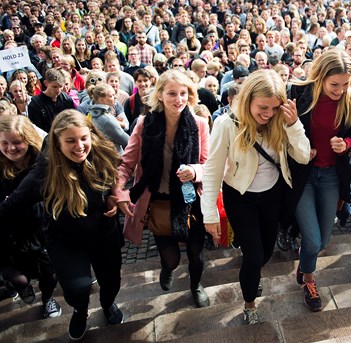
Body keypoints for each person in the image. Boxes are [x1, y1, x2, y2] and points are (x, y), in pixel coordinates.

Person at [0, 109, 125, 340]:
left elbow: (114, 177)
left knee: (112, 282)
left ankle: (108, 305)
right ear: (57, 143)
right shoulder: (45, 171)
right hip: (66, 241)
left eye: (83, 138)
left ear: (91, 135)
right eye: (70, 141)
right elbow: (12, 205)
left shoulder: (101, 154)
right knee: (78, 288)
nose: (79, 146)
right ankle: (80, 310)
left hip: (104, 234)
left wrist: (112, 196)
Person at [201, 70, 310, 324]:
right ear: (248, 98)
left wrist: (294, 125)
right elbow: (213, 170)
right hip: (240, 197)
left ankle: (253, 271)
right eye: (263, 107)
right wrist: (210, 213)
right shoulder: (226, 124)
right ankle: (249, 304)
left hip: (272, 195)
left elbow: (304, 156)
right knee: (253, 257)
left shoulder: (281, 120)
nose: (268, 114)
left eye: (274, 108)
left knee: (266, 252)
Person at [114, 70, 211, 308]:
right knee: (172, 259)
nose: (179, 99)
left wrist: (195, 171)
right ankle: (167, 269)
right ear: (159, 95)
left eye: (183, 93)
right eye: (172, 93)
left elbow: (208, 164)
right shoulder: (144, 124)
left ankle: (196, 286)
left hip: (190, 202)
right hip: (158, 202)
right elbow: (127, 163)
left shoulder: (199, 124)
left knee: (197, 257)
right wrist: (119, 192)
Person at [288, 48, 351, 312]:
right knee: (311, 239)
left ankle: (304, 261)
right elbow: (281, 131)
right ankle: (309, 279)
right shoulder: (298, 92)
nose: (341, 90)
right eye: (335, 84)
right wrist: (300, 147)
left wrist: (347, 143)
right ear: (320, 76)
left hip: (332, 174)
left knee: (322, 241)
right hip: (303, 175)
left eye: (346, 84)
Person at [0, 115, 60, 319]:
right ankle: (23, 286)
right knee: (18, 277)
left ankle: (48, 299)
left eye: (17, 142)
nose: (11, 148)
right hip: (11, 233)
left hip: (41, 229)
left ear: (29, 139)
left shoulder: (43, 164)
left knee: (48, 273)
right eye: (4, 143)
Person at [87, 83, 129, 154]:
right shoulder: (106, 119)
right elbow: (127, 140)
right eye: (111, 96)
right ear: (101, 100)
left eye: (114, 94)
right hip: (114, 157)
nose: (115, 97)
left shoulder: (92, 113)